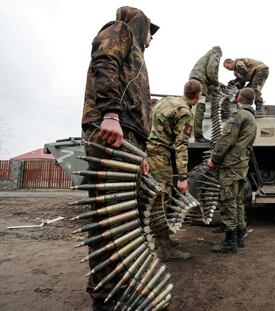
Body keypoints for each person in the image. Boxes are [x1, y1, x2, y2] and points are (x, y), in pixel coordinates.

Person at [81, 6, 159, 310]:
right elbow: (104, 63)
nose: (152, 38)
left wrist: (142, 154)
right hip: (114, 134)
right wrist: (110, 114)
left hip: (130, 140)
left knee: (129, 218)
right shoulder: (120, 30)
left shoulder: (138, 56)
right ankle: (105, 296)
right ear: (142, 25)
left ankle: (123, 286)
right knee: (109, 218)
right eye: (151, 31)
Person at [146, 79, 202, 260]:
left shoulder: (168, 101)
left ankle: (164, 240)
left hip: (149, 151)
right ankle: (163, 248)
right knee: (162, 199)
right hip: (160, 155)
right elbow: (181, 145)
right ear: (198, 96)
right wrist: (183, 176)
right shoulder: (185, 113)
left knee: (158, 196)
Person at [207, 87, 257, 253]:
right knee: (238, 201)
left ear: (238, 98)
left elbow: (227, 139)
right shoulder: (251, 117)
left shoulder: (239, 115)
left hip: (231, 164)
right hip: (242, 164)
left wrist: (214, 159)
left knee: (228, 200)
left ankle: (230, 243)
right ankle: (240, 235)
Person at [189, 46, 223, 143]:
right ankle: (198, 135)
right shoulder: (215, 54)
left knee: (191, 106)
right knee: (201, 107)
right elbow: (211, 71)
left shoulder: (206, 55)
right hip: (200, 82)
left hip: (195, 79)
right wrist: (216, 83)